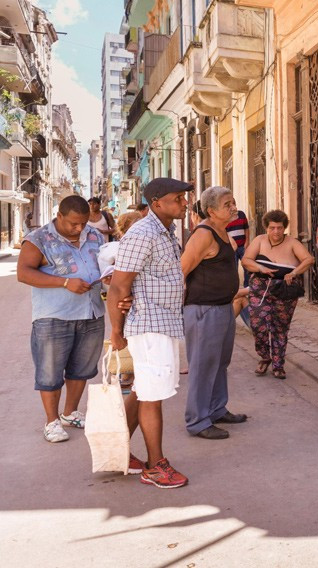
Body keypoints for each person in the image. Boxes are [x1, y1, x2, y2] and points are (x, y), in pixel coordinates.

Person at [107, 177, 193, 489]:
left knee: (146, 391)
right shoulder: (142, 233)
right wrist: (117, 330)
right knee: (152, 397)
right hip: (149, 324)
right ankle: (155, 466)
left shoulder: (165, 230)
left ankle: (120, 452)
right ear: (157, 202)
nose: (185, 203)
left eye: (184, 198)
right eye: (178, 199)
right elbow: (118, 284)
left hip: (164, 320)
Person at [17, 195, 105, 443]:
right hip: (54, 317)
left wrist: (107, 277)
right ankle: (52, 421)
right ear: (60, 216)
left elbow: (102, 264)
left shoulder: (95, 236)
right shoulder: (38, 240)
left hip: (91, 312)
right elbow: (23, 273)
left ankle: (70, 413)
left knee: (82, 369)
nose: (79, 229)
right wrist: (65, 282)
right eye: (73, 224)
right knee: (50, 372)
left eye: (84, 223)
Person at [180, 186, 247, 439]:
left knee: (220, 362)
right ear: (211, 210)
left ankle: (217, 409)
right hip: (204, 311)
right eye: (227, 204)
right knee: (203, 365)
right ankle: (198, 421)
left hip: (222, 307)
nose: (233, 207)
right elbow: (182, 270)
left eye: (233, 202)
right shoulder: (203, 234)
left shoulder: (222, 230)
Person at [242, 210, 314, 379]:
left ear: (284, 228)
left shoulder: (292, 242)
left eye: (279, 228)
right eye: (272, 228)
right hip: (260, 287)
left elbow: (309, 259)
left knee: (280, 328)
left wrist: (294, 273)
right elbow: (246, 260)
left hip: (285, 288)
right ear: (266, 228)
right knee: (258, 324)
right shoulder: (259, 240)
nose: (276, 232)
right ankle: (264, 356)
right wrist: (261, 268)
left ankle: (278, 365)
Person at [226, 207, 251, 284]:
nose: (232, 206)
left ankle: (247, 286)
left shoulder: (241, 214)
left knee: (247, 267)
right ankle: (234, 288)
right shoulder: (225, 218)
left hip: (243, 246)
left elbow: (246, 228)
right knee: (233, 269)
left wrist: (247, 242)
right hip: (231, 248)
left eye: (233, 203)